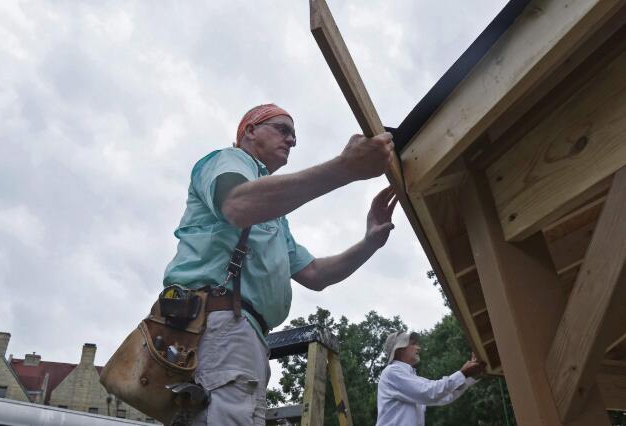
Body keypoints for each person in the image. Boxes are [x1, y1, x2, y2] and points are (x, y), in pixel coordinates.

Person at [163, 103, 398, 425]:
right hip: (220, 322)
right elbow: (237, 204)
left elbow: (315, 274)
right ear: (249, 131)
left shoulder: (274, 215)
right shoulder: (230, 161)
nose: (292, 140)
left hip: (249, 335)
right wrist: (345, 168)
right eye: (282, 129)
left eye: (294, 135)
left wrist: (369, 242)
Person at [376, 331, 486, 426]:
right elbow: (429, 392)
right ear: (400, 349)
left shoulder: (410, 377)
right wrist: (463, 373)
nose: (418, 348)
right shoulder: (392, 372)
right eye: (413, 344)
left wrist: (469, 377)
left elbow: (442, 396)